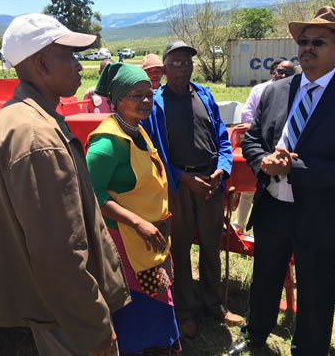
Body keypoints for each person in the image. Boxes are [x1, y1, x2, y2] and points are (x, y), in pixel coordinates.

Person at [229, 6, 335, 356]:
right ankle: (255, 335)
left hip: (321, 215)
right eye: (303, 41)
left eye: (318, 42)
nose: (307, 47)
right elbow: (252, 139)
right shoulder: (276, 90)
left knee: (316, 289)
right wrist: (263, 161)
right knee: (265, 278)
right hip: (273, 210)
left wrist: (295, 170)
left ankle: (309, 348)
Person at [0, 13, 130, 356]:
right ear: (42, 63)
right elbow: (60, 252)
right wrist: (95, 325)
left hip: (61, 314)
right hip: (70, 320)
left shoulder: (24, 116)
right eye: (69, 55)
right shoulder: (37, 135)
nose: (79, 66)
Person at [141, 40, 243, 338]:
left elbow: (222, 137)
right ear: (164, 67)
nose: (182, 67)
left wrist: (222, 169)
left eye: (187, 61)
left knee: (212, 246)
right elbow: (154, 150)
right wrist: (182, 177)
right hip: (179, 187)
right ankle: (184, 310)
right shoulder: (156, 102)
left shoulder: (204, 95)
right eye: (175, 62)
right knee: (181, 248)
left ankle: (214, 304)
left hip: (211, 183)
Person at [86, 62, 181, 355]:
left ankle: (158, 345)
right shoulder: (107, 143)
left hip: (149, 236)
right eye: (135, 95)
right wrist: (137, 222)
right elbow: (90, 192)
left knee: (156, 295)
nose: (145, 101)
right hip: (125, 240)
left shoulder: (137, 130)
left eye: (149, 95)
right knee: (137, 302)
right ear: (117, 99)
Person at [234, 59, 296, 232]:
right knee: (247, 190)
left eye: (288, 73)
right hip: (261, 153)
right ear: (273, 72)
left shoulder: (297, 92)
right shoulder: (261, 90)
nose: (282, 75)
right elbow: (248, 115)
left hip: (287, 165)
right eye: (279, 71)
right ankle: (239, 224)